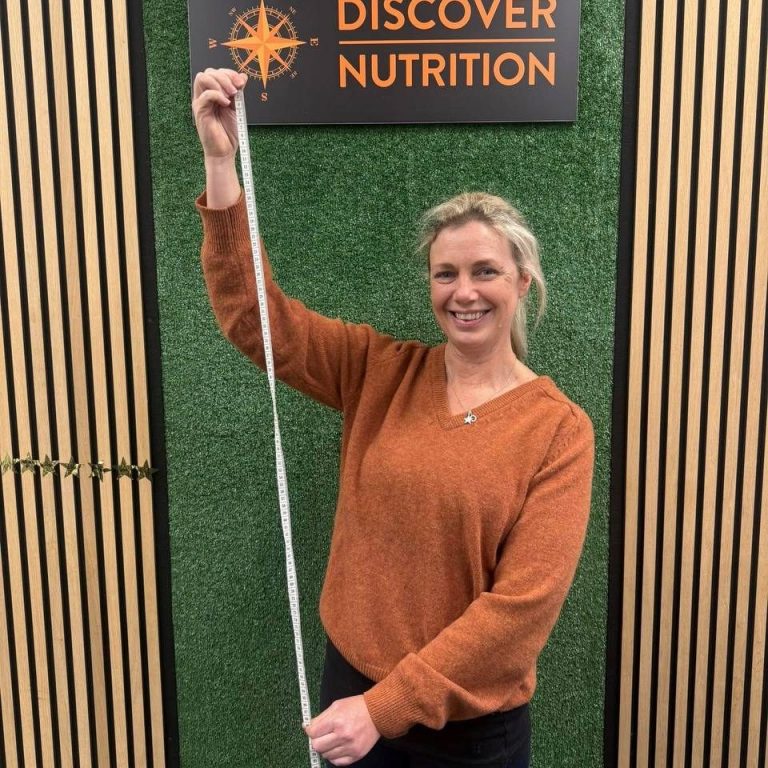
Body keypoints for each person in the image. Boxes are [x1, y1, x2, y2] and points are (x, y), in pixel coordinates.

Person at [192, 67, 594, 768]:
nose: (464, 292)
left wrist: (384, 709)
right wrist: (221, 162)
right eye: (446, 273)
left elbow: (518, 616)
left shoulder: (558, 431)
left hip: (467, 738)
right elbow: (256, 320)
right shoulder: (380, 372)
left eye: (485, 271)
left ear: (522, 282)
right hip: (350, 696)